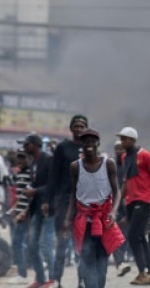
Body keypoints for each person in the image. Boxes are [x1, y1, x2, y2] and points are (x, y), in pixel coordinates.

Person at [64, 129, 121, 288]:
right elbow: (74, 195)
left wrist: (114, 211)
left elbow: (117, 192)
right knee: (87, 262)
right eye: (85, 141)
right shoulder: (75, 167)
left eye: (92, 141)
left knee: (102, 266)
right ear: (81, 144)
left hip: (104, 220)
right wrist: (68, 219)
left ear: (97, 143)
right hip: (84, 220)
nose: (89, 144)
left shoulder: (108, 164)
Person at [46, 114, 88, 285]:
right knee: (62, 244)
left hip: (85, 203)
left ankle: (82, 281)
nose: (78, 129)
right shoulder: (63, 148)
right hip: (64, 202)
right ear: (71, 128)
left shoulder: (90, 148)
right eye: (76, 126)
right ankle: (57, 280)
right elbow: (53, 176)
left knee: (83, 246)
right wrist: (48, 201)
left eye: (82, 126)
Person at [118, 126, 150, 285]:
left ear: (132, 140)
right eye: (121, 139)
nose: (122, 142)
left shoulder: (145, 155)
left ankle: (142, 273)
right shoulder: (124, 157)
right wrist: (117, 202)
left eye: (124, 139)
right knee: (140, 236)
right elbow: (125, 182)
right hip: (130, 201)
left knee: (133, 236)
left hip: (143, 200)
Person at [20, 134, 57, 288]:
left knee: (46, 244)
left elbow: (54, 184)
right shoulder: (33, 163)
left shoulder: (49, 159)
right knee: (32, 244)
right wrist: (26, 209)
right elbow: (36, 186)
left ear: (35, 144)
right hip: (37, 209)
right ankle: (40, 279)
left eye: (27, 144)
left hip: (49, 208)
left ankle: (53, 279)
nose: (24, 147)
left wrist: (35, 192)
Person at [11, 150, 33, 282]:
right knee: (22, 243)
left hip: (24, 214)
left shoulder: (29, 173)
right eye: (18, 158)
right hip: (20, 212)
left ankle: (22, 274)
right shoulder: (20, 173)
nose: (19, 161)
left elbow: (31, 195)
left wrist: (24, 211)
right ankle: (23, 271)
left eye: (22, 158)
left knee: (17, 243)